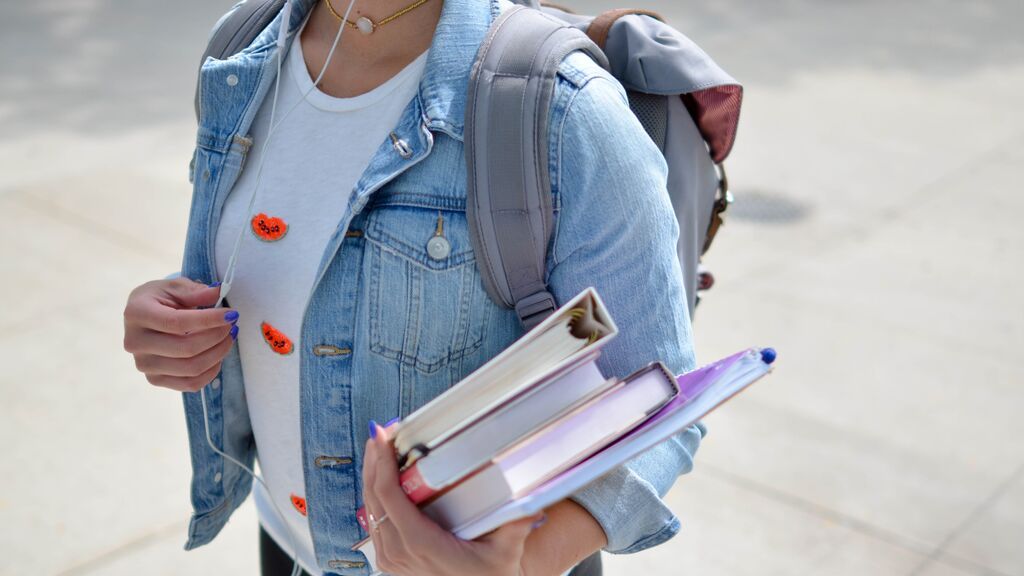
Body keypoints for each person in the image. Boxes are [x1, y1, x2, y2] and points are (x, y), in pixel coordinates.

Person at [122, 0, 705, 574]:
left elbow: (657, 399)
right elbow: (256, 273)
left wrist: (522, 564)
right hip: (285, 540)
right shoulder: (242, 50)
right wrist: (172, 324)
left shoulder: (564, 111)